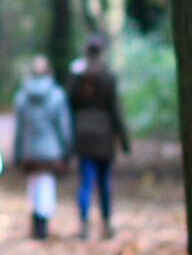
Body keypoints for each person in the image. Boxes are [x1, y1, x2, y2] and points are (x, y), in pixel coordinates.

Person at [66, 34, 134, 239]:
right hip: (104, 136)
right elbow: (115, 110)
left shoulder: (76, 76)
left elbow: (68, 105)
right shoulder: (107, 76)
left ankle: (84, 224)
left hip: (83, 134)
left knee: (85, 182)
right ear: (102, 52)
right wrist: (123, 140)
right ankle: (106, 224)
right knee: (104, 183)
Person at [12, 55, 74, 240]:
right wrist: (67, 150)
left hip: (30, 151)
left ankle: (36, 224)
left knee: (33, 185)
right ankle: (43, 226)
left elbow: (19, 130)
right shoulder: (57, 95)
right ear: (50, 72)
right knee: (46, 186)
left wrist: (17, 153)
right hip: (51, 151)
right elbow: (63, 127)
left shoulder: (22, 96)